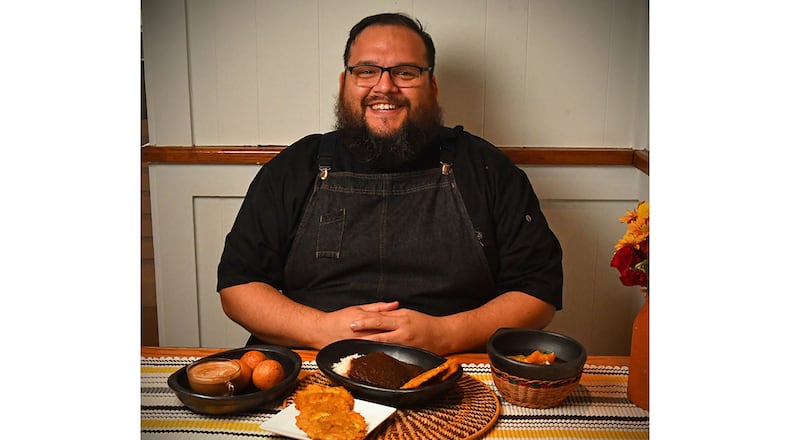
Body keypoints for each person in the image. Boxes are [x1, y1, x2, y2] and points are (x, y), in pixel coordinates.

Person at [217, 12, 563, 356]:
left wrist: (447, 334)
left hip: (451, 364)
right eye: (366, 71)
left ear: (432, 86)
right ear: (344, 84)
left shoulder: (486, 168)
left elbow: (537, 292)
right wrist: (320, 329)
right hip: (312, 358)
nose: (384, 86)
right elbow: (238, 286)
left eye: (405, 72)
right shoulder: (295, 167)